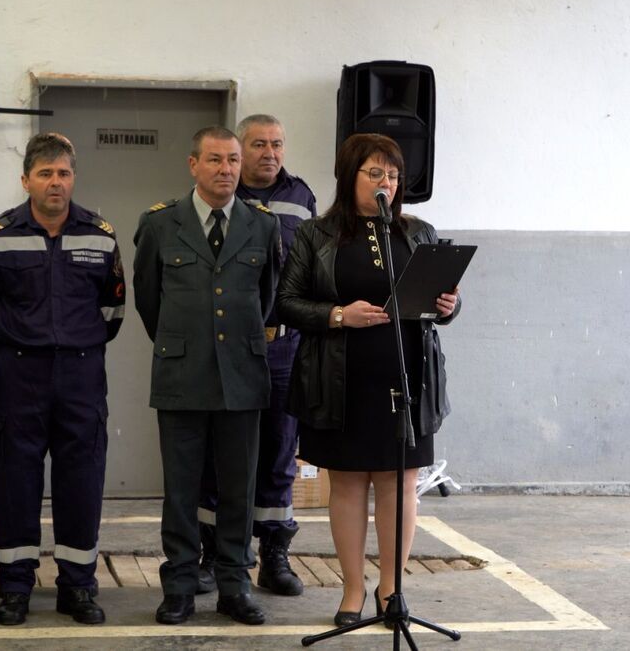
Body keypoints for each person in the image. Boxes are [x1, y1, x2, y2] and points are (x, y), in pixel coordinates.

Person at [277, 133, 461, 627]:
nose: (387, 183)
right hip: (342, 379)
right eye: (375, 173)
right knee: (349, 483)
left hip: (408, 375)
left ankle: (392, 589)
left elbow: (441, 304)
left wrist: (449, 305)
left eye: (394, 175)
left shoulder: (418, 232)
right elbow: (287, 303)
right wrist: (339, 315)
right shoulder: (316, 234)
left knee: (400, 482)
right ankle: (353, 589)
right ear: (349, 176)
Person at [0, 133, 125, 626]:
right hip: (19, 374)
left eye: (63, 173)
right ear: (26, 181)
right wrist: (23, 342)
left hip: (82, 375)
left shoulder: (101, 235)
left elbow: (113, 311)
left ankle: (77, 586)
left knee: (82, 479)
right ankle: (15, 586)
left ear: (73, 178)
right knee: (15, 480)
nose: (55, 182)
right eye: (45, 174)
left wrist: (74, 343)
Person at [133, 125, 282, 626]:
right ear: (193, 164)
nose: (227, 170)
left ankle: (235, 586)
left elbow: (266, 298)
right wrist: (184, 344)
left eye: (233, 160)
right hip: (181, 374)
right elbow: (149, 301)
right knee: (181, 491)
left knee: (239, 490)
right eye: (215, 160)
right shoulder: (159, 224)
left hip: (242, 374)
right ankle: (178, 587)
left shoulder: (262, 225)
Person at [196, 114, 316, 597]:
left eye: (277, 144)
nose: (270, 153)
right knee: (219, 454)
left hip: (284, 346)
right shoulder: (222, 193)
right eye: (260, 145)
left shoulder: (301, 197)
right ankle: (213, 555)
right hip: (230, 346)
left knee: (279, 453)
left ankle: (274, 556)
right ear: (240, 150)